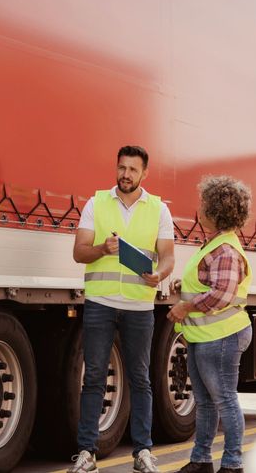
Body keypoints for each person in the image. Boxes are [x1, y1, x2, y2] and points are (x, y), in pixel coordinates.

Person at [69, 145, 175, 473]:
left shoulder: (158, 210)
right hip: (100, 303)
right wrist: (102, 248)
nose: (125, 174)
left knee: (140, 379)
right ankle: (87, 453)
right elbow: (79, 252)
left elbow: (168, 256)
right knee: (94, 378)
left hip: (139, 306)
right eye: (121, 168)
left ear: (145, 173)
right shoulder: (96, 203)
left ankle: (143, 452)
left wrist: (160, 274)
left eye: (132, 169)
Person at [167, 176, 254, 473]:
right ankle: (201, 460)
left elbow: (222, 294)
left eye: (204, 203)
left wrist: (185, 306)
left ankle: (232, 464)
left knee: (225, 400)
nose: (199, 208)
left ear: (216, 211)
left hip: (221, 336)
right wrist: (185, 287)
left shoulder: (225, 249)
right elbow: (209, 283)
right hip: (205, 335)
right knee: (205, 402)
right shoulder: (215, 244)